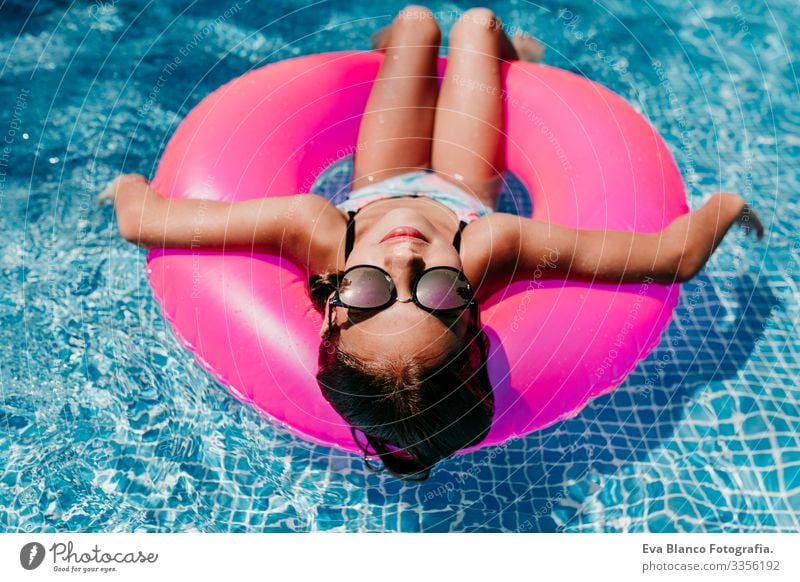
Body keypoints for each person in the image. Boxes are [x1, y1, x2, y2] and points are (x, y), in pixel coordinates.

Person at [100, 6, 763, 480]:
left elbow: (148, 222)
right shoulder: (492, 245)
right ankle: (508, 66)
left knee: (415, 23)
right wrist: (725, 207)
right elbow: (667, 259)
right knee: (474, 24)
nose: (405, 259)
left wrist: (126, 186)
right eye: (436, 293)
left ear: (329, 302)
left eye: (369, 292)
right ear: (472, 308)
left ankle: (398, 50)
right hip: (461, 178)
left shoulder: (316, 228)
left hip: (380, 175)